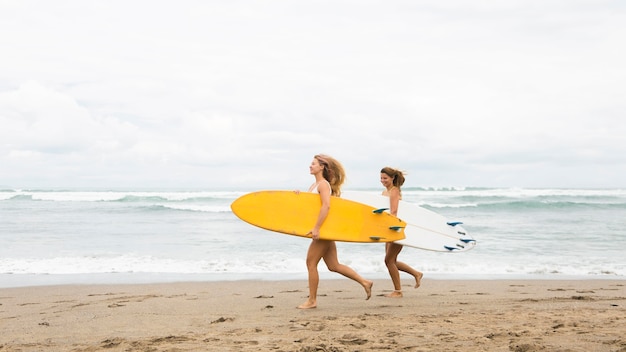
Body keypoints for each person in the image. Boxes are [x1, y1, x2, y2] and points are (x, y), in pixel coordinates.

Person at [297, 154, 373, 309]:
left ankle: (312, 300)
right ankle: (365, 282)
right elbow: (311, 206)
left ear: (322, 167)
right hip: (325, 229)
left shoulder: (323, 185)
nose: (310, 166)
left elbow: (326, 206)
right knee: (333, 265)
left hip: (323, 229)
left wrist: (317, 228)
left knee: (311, 263)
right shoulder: (314, 185)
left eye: (313, 164)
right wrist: (298, 196)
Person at [380, 167, 423, 298]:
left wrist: (391, 228)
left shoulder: (394, 191)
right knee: (391, 260)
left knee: (389, 260)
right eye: (381, 178)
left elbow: (393, 212)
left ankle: (398, 291)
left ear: (392, 178)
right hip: (388, 228)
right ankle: (416, 274)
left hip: (396, 228)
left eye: (385, 178)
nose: (382, 180)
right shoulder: (384, 192)